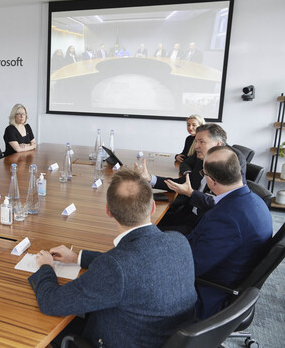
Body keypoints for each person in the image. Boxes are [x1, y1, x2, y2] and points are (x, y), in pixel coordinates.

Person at [28, 168, 196, 348]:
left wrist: (46, 268)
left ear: (108, 211)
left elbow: (52, 302)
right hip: (163, 337)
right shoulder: (179, 241)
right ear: (153, 207)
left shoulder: (115, 267)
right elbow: (134, 264)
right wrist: (78, 257)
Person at [188, 146, 272, 319]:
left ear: (211, 181)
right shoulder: (254, 199)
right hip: (230, 276)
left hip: (211, 293)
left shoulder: (226, 219)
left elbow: (192, 267)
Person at [141, 124, 246, 234]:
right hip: (189, 212)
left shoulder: (233, 159)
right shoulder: (204, 155)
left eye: (201, 142)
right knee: (145, 223)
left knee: (148, 233)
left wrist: (191, 193)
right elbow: (185, 182)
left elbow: (223, 203)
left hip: (204, 224)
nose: (196, 146)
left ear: (217, 143)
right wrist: (150, 179)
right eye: (196, 141)